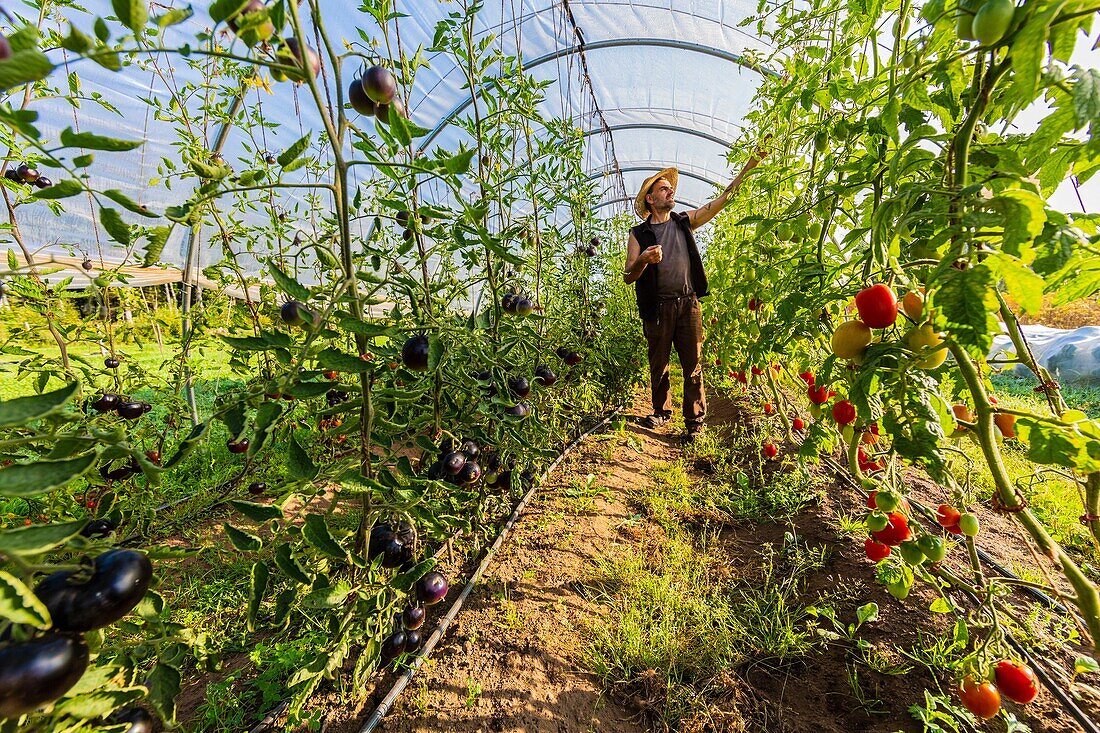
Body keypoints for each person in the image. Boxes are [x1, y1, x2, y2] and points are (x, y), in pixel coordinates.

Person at [622, 149, 766, 441]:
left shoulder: (683, 221)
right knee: (659, 364)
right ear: (650, 199)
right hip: (657, 307)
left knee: (693, 365)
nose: (670, 190)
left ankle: (695, 423)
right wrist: (643, 261)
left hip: (688, 304)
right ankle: (661, 413)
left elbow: (722, 200)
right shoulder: (638, 234)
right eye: (663, 188)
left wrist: (751, 165)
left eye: (670, 187)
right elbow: (628, 275)